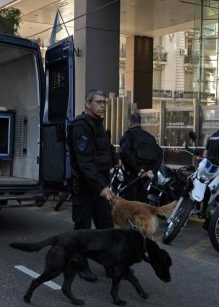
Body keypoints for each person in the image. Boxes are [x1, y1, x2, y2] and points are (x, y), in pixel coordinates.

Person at [67, 89, 115, 282]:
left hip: (100, 185)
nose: (102, 106)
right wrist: (101, 186)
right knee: (83, 228)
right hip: (86, 187)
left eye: (104, 102)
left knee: (106, 228)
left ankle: (111, 265)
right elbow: (84, 161)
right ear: (88, 104)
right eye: (98, 102)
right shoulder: (81, 125)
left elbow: (105, 153)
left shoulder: (98, 124)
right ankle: (80, 264)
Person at [119, 113, 163, 202]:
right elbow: (160, 154)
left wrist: (137, 170)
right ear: (140, 123)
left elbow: (126, 154)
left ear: (130, 123)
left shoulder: (128, 135)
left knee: (133, 205)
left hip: (134, 177)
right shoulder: (150, 137)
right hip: (148, 177)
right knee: (145, 204)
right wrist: (153, 171)